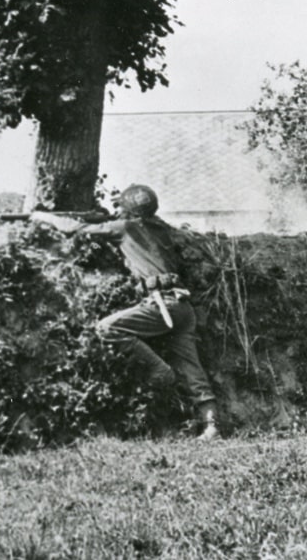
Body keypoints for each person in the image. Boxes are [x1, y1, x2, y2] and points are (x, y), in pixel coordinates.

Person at [30, 184, 221, 439]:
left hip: (159, 304)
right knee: (193, 370)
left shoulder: (125, 228)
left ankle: (160, 371)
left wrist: (42, 216)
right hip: (182, 307)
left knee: (107, 328)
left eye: (120, 207)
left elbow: (75, 229)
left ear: (128, 209)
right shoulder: (161, 228)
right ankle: (211, 425)